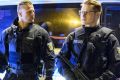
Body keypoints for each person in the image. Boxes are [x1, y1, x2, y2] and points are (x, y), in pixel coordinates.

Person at [56, 0, 120, 80]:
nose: (83, 15)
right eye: (81, 12)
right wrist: (70, 76)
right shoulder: (73, 36)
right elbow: (60, 59)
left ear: (97, 14)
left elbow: (116, 66)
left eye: (86, 12)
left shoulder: (109, 38)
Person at [0, 0, 55, 80]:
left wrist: (49, 77)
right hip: (11, 76)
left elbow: (50, 58)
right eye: (29, 12)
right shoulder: (7, 33)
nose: (33, 14)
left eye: (33, 11)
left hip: (31, 76)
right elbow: (1, 56)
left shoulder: (41, 33)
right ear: (20, 14)